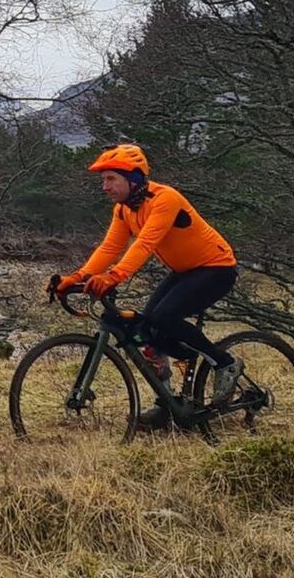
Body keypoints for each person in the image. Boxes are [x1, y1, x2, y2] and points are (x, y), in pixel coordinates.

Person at [52, 143, 244, 427]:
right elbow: (109, 248)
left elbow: (144, 244)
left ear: (134, 179)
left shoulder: (165, 199)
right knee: (147, 328)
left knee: (163, 317)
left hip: (216, 268)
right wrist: (77, 277)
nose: (105, 187)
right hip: (184, 271)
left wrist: (113, 277)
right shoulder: (124, 209)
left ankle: (225, 363)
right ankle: (170, 405)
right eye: (103, 180)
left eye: (111, 179)